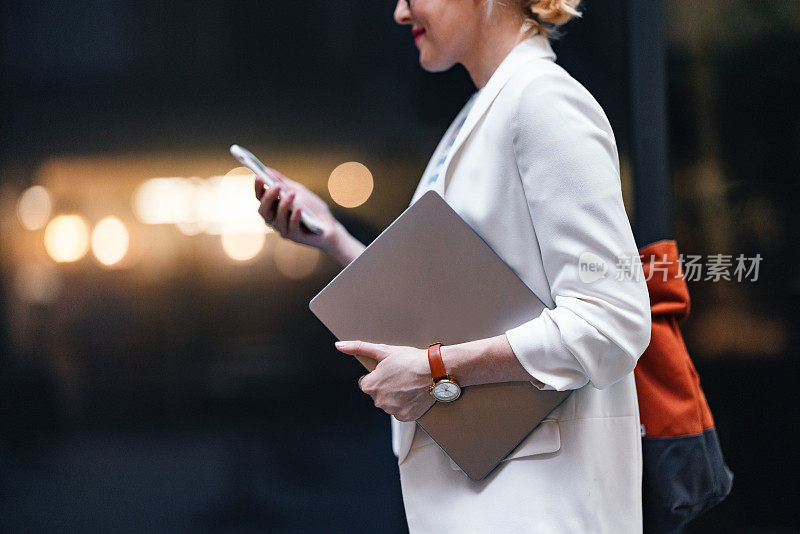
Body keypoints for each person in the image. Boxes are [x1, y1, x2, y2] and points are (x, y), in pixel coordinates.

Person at [254, 0, 652, 531]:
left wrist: (435, 369)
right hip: (496, 498)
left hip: (540, 506)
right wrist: (335, 239)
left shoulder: (543, 100)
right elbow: (456, 299)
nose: (399, 13)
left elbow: (612, 321)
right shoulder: (488, 108)